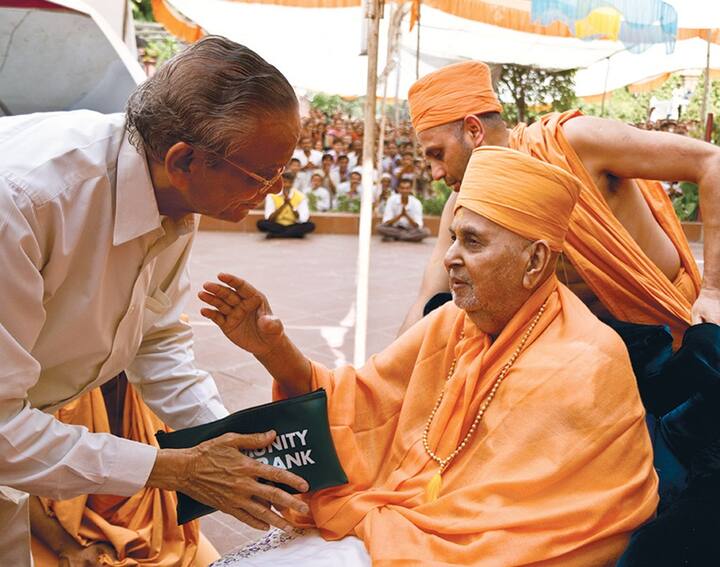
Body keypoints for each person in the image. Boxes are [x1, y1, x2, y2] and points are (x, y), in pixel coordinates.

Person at [199, 147, 657, 566]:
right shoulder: (454, 321)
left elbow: (536, 528)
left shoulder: (584, 361)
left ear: (534, 261)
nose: (449, 258)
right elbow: (359, 402)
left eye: (472, 243)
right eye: (453, 238)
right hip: (411, 518)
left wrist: (406, 525)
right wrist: (273, 350)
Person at [0, 36, 310, 567]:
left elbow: (157, 341)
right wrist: (178, 469)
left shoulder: (175, 198)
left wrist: (234, 449)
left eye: (284, 173)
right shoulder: (27, 202)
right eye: (264, 177)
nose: (275, 193)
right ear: (186, 159)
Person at [398, 60, 719, 337]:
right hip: (580, 353)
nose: (436, 173)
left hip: (665, 329)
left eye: (437, 154)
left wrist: (714, 292)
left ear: (473, 130)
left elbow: (712, 164)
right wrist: (384, 378)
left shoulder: (573, 143)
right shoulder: (460, 206)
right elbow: (429, 298)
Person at [30, 375, 219, 566]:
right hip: (58, 530)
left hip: (157, 532)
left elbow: (178, 381)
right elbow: (9, 472)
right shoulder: (49, 378)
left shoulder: (144, 376)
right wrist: (66, 547)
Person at [258, 171, 315, 238]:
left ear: (293, 183)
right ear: (281, 183)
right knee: (261, 223)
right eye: (284, 182)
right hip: (277, 225)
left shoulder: (301, 196)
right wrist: (283, 205)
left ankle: (277, 235)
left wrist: (290, 204)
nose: (287, 185)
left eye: (290, 183)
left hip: (293, 225)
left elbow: (302, 219)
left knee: (310, 225)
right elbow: (269, 218)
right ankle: (292, 234)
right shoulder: (272, 196)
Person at [377, 178, 430, 242]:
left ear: (410, 189)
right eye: (402, 188)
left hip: (411, 229)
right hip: (395, 228)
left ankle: (397, 237)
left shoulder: (416, 203)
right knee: (379, 227)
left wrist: (406, 215)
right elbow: (387, 222)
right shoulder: (392, 200)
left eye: (407, 188)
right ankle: (407, 237)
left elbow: (417, 225)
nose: (405, 191)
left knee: (426, 232)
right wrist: (400, 215)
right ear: (398, 189)